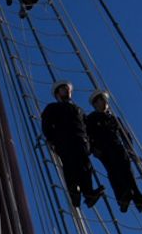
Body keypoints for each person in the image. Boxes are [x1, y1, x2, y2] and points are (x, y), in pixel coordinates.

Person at [85, 90, 142, 214]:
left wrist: (131, 151)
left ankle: (138, 198)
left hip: (119, 147)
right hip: (104, 149)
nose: (105, 102)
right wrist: (93, 149)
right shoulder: (91, 118)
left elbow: (125, 135)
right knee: (114, 171)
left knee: (128, 170)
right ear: (95, 103)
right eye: (101, 100)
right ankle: (121, 198)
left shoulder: (114, 118)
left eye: (105, 100)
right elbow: (87, 135)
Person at [41, 80, 105, 209]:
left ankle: (88, 193)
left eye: (68, 88)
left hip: (81, 141)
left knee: (86, 166)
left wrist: (92, 146)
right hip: (64, 140)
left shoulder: (79, 110)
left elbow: (87, 128)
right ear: (58, 93)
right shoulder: (53, 108)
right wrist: (50, 140)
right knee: (70, 165)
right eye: (63, 89)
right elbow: (46, 124)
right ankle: (74, 192)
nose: (67, 90)